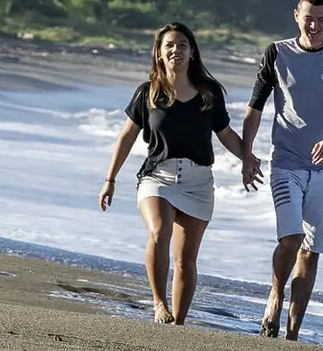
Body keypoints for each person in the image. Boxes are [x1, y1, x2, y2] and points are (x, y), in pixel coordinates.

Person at [101, 22, 260, 325]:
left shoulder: (209, 93)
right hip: (157, 176)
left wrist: (248, 159)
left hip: (199, 182)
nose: (176, 50)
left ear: (192, 51)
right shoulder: (147, 94)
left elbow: (225, 134)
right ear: (159, 53)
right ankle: (159, 303)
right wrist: (110, 180)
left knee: (185, 260)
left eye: (183, 44)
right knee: (159, 232)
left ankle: (179, 324)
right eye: (169, 45)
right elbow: (126, 137)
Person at [240, 0, 323, 340]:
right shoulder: (277, 53)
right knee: (290, 239)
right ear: (296, 15)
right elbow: (255, 107)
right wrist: (247, 154)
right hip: (286, 163)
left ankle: (292, 333)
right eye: (309, 18)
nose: (314, 26)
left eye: (321, 19)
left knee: (311, 251)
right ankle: (275, 299)